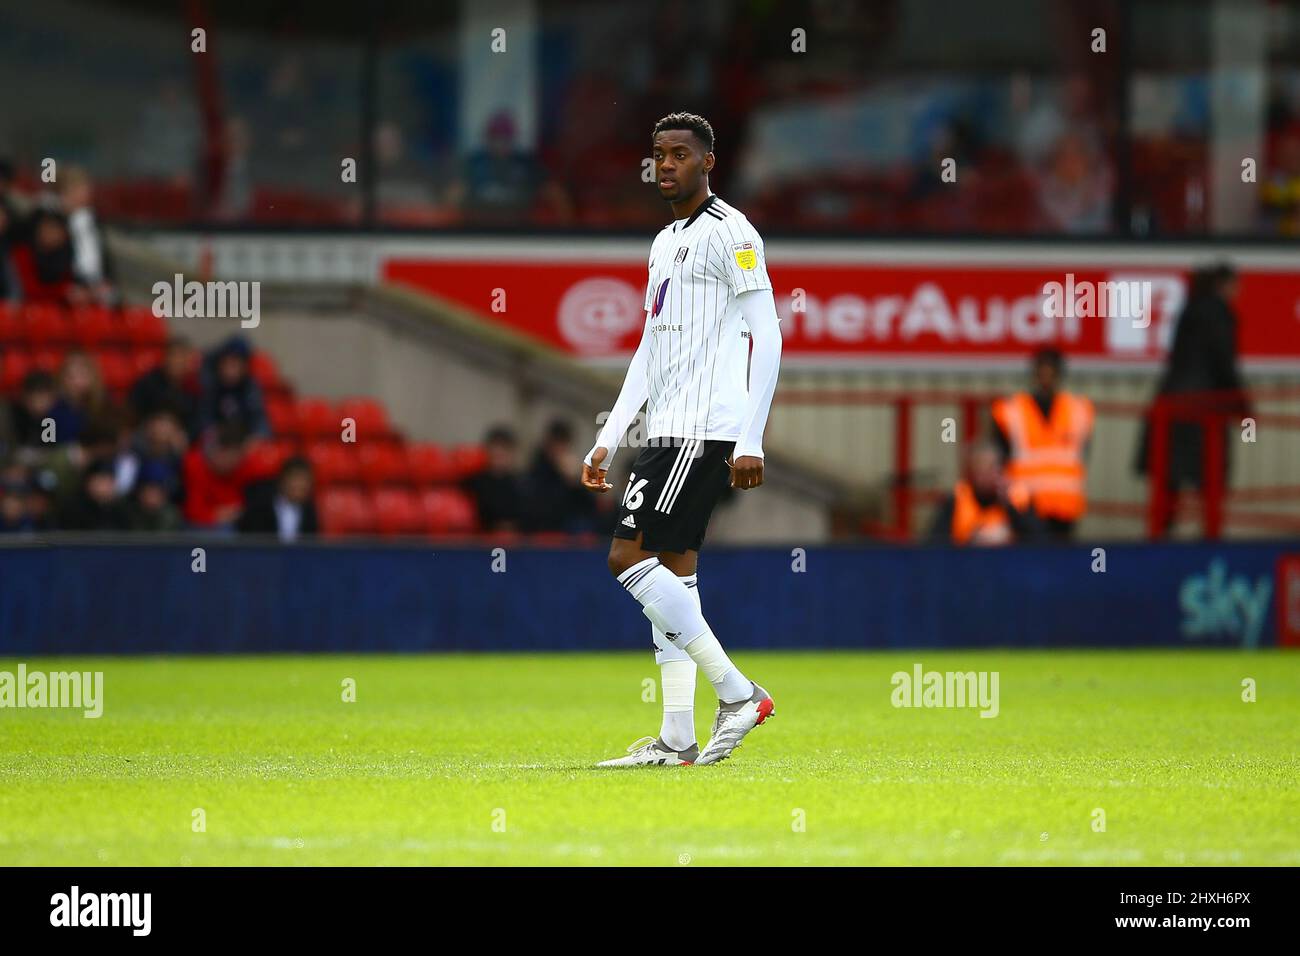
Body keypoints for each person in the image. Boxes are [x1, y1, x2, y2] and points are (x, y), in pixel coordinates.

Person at [581, 112, 782, 767]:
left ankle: (737, 692)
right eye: (659, 154)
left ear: (708, 162)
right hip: (664, 429)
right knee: (672, 575)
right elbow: (650, 345)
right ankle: (675, 738)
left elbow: (768, 335)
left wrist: (752, 437)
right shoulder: (665, 241)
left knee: (624, 557)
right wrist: (609, 436)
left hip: (701, 431)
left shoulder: (734, 234)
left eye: (680, 155)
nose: (666, 165)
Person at [1135, 263, 1251, 534]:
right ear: (1224, 285)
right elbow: (1223, 363)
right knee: (1208, 482)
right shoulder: (1220, 314)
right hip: (1203, 411)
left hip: (1171, 403)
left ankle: (1158, 545)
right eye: (1235, 286)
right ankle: (1210, 552)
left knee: (1169, 483)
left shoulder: (1188, 310)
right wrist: (1244, 409)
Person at [991, 348, 1093, 539]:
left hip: (1065, 508)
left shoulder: (1079, 410)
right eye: (1042, 372)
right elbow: (998, 459)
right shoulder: (1012, 411)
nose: (1046, 379)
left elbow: (1082, 454)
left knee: (1060, 562)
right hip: (1024, 508)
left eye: (1051, 372)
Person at [928, 442, 1041, 545]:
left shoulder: (1018, 498)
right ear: (972, 472)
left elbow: (1040, 540)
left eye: (991, 468)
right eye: (981, 469)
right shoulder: (957, 500)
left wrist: (1009, 505)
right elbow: (934, 543)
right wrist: (971, 541)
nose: (986, 475)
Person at [523, 418, 598, 533]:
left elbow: (589, 507)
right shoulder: (537, 472)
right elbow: (538, 507)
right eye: (556, 445)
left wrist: (576, 482)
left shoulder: (573, 472)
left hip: (568, 534)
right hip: (541, 532)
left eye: (563, 445)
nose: (560, 450)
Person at [198, 336, 270, 439]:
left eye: (235, 365)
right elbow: (204, 423)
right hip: (217, 444)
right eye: (226, 364)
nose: (230, 370)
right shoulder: (211, 389)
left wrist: (252, 441)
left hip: (244, 443)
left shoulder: (250, 390)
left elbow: (260, 424)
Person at [129, 337, 199, 436]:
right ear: (165, 357)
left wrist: (184, 434)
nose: (176, 362)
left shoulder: (194, 387)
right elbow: (134, 414)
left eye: (181, 357)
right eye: (173, 356)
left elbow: (197, 421)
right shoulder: (148, 383)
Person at [238, 456, 319, 541]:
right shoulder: (260, 504)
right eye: (296, 479)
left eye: (305, 481)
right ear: (282, 480)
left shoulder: (309, 510)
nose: (301, 485)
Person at [463, 425, 526, 532]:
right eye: (495, 447)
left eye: (504, 447)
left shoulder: (521, 484)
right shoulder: (473, 483)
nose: (499, 452)